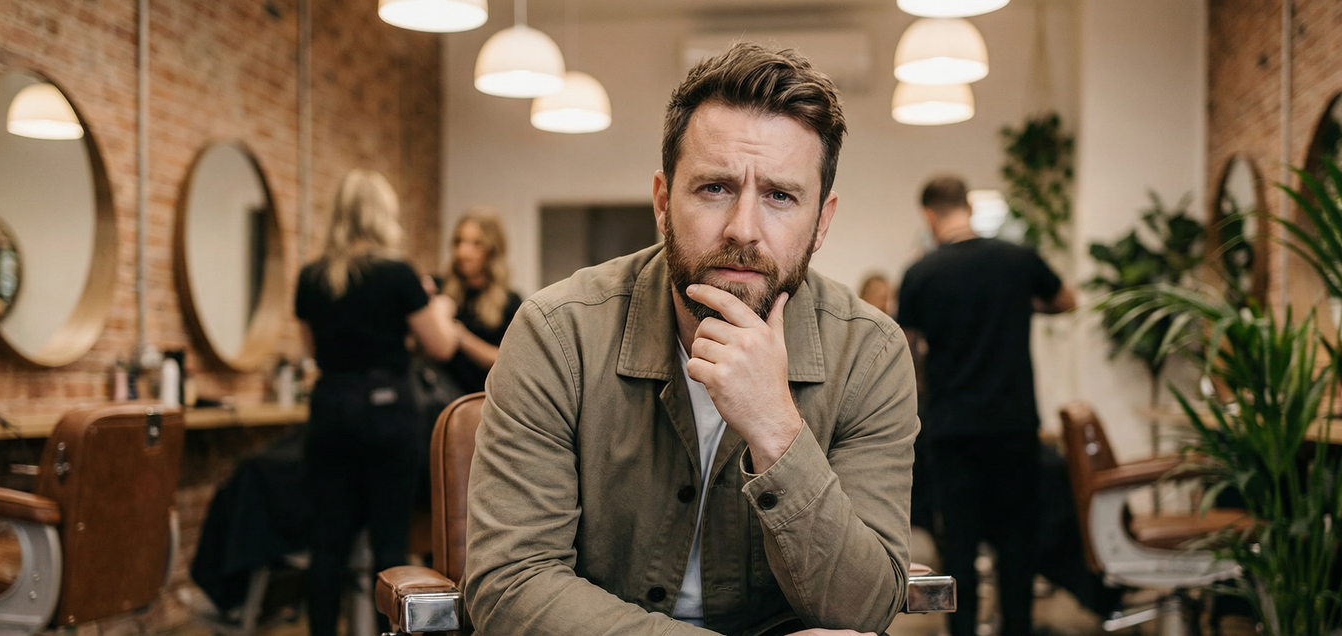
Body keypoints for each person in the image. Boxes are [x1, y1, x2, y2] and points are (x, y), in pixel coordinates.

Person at [462, 43, 918, 636]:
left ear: (822, 222)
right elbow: (511, 587)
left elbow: (864, 610)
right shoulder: (558, 334)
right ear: (662, 201)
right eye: (714, 189)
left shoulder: (870, 356)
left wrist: (776, 428)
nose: (744, 230)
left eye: (780, 196)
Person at [896, 175, 1076, 636]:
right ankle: (1016, 627)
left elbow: (906, 347)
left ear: (929, 216)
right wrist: (1021, 307)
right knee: (1018, 542)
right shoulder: (1017, 260)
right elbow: (1066, 300)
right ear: (969, 208)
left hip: (953, 429)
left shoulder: (921, 273)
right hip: (1013, 425)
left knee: (959, 546)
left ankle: (963, 631)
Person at [294, 169, 458, 636]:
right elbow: (441, 345)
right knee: (390, 543)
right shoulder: (398, 274)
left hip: (330, 408)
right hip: (388, 414)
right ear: (382, 216)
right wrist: (438, 305)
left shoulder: (312, 277)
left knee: (327, 545)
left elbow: (310, 350)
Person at [440, 210, 523, 395]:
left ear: (492, 250)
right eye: (459, 242)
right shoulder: (441, 290)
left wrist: (462, 338)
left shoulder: (510, 302)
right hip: (440, 399)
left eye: (476, 244)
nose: (463, 252)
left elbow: (508, 361)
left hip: (482, 402)